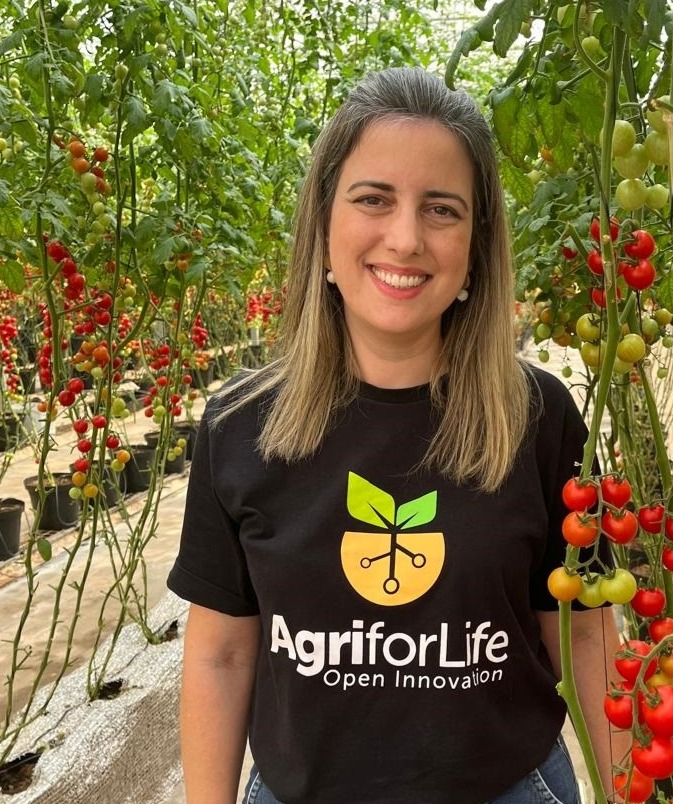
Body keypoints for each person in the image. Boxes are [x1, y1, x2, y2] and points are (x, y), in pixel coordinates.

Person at [168, 66, 626, 804]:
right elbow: (220, 656)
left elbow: (584, 635)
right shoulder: (240, 425)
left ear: (476, 247)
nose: (406, 238)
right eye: (373, 199)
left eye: (442, 209)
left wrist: (638, 791)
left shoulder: (538, 419)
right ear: (323, 228)